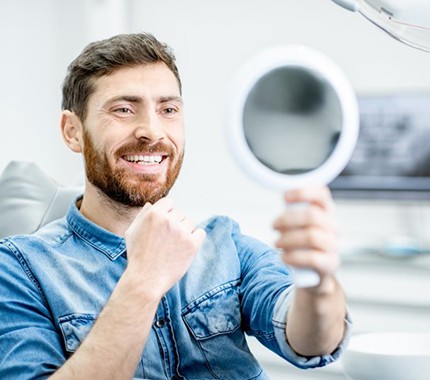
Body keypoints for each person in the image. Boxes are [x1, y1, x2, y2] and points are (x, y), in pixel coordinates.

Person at [0, 33, 351, 379]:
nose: (152, 131)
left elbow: (312, 342)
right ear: (72, 132)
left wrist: (318, 284)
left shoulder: (224, 243)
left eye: (168, 109)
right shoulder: (18, 268)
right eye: (124, 109)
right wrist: (143, 280)